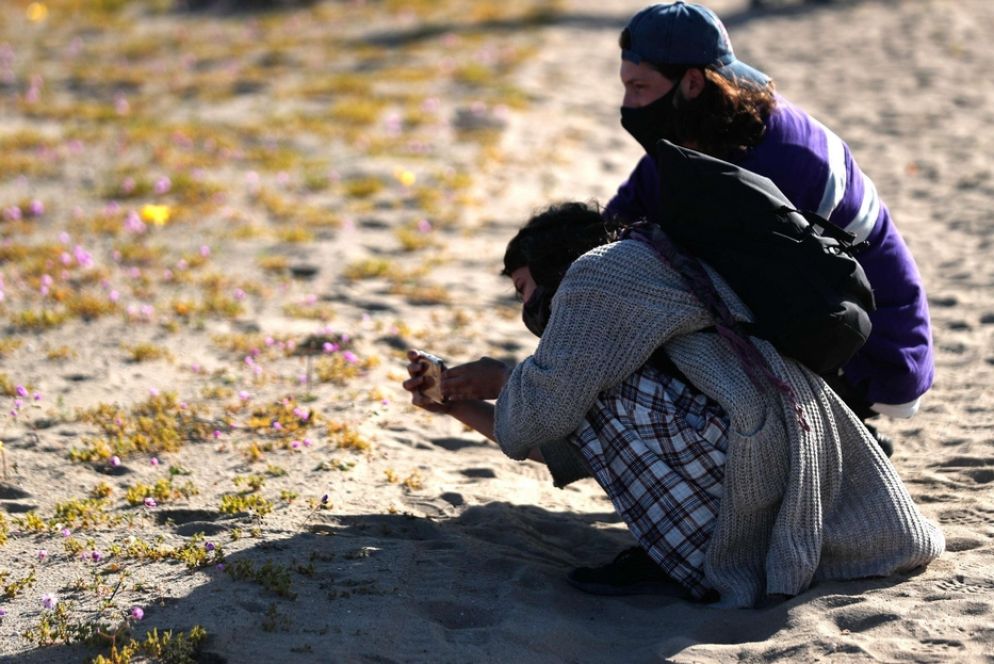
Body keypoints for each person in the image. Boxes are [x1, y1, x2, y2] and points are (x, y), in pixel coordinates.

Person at [402, 201, 943, 607]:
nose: (526, 309)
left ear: (547, 267)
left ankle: (714, 557)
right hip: (781, 446)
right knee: (577, 390)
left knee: (576, 390)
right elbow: (563, 444)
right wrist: (454, 406)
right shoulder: (646, 261)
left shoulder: (599, 279)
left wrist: (502, 375)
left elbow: (537, 418)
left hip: (759, 462)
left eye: (523, 289)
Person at [606, 2, 934, 454]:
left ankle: (838, 430)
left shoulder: (782, 158)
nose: (628, 105)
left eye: (640, 88)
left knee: (684, 305)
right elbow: (619, 218)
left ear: (693, 83)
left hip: (876, 350)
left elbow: (753, 292)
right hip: (817, 316)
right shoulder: (703, 127)